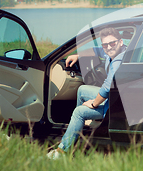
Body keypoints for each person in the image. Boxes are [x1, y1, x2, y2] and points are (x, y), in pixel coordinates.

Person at [47, 27, 127, 159]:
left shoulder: (118, 61)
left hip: (115, 105)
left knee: (79, 112)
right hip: (115, 97)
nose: (109, 47)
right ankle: (79, 130)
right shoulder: (114, 51)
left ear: (120, 42)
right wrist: (78, 55)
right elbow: (97, 50)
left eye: (112, 43)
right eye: (105, 44)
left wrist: (94, 104)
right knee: (82, 90)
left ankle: (63, 151)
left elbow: (107, 88)